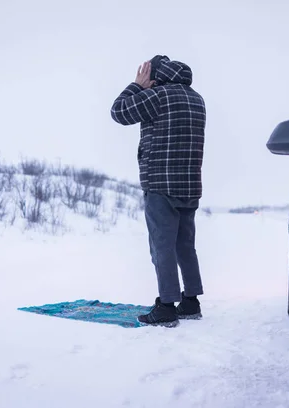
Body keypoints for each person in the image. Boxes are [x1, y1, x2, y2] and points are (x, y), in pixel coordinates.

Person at [110, 55, 206, 327]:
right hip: (189, 184)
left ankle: (166, 306)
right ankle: (191, 301)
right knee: (185, 246)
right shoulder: (197, 99)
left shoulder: (158, 96)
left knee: (161, 247)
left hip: (160, 183)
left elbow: (118, 112)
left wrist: (136, 86)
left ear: (155, 76)